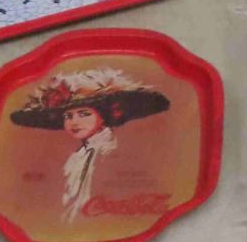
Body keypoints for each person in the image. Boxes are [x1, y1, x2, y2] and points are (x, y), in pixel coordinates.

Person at [9, 68, 169, 223]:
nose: (74, 122)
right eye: (68, 116)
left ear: (104, 115)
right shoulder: (81, 154)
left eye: (84, 114)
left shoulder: (109, 152)